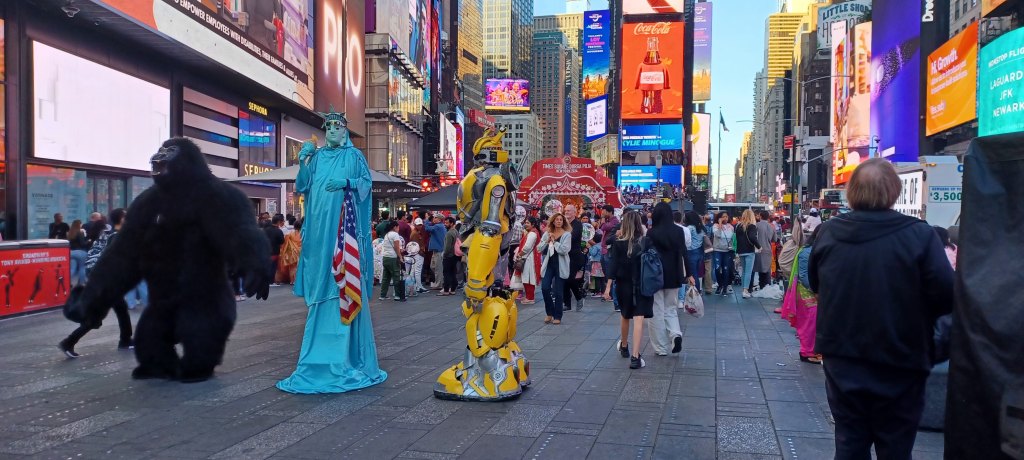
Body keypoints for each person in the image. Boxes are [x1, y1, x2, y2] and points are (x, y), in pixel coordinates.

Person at [808, 159, 954, 459]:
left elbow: (816, 283)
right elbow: (948, 297)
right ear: (894, 191)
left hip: (843, 359)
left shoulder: (829, 233)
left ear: (852, 192)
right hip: (901, 360)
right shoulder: (920, 235)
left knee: (849, 443)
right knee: (896, 448)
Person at [276, 111, 387, 394]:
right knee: (319, 272)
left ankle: (345, 358)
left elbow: (366, 185)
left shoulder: (354, 157)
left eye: (338, 128)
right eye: (329, 128)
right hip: (316, 231)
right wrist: (303, 160)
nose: (332, 132)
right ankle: (316, 355)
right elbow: (301, 185)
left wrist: (346, 184)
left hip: (341, 232)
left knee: (342, 278)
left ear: (346, 131)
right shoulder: (318, 158)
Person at [59, 208, 134, 358]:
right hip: (108, 281)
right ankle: (68, 342)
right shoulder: (116, 237)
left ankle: (126, 340)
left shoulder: (108, 234)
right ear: (121, 219)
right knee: (96, 316)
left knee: (121, 309)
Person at [646, 203, 689, 356]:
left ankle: (661, 347)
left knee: (656, 310)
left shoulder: (651, 233)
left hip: (655, 276)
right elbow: (684, 253)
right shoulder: (679, 231)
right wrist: (689, 274)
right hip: (674, 274)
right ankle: (675, 334)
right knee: (671, 308)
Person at [611, 211, 651, 369]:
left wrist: (608, 286)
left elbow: (613, 265)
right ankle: (635, 357)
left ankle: (624, 346)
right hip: (642, 284)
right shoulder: (646, 241)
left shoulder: (618, 242)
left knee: (625, 315)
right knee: (639, 318)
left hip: (623, 284)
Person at [537, 213, 571, 325]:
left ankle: (558, 315)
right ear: (553, 221)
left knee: (558, 291)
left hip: (560, 265)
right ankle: (549, 312)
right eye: (557, 219)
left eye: (561, 220)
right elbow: (539, 248)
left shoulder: (567, 235)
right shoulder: (547, 233)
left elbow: (564, 250)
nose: (559, 221)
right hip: (549, 264)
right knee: (545, 287)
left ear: (563, 222)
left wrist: (555, 242)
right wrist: (547, 241)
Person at [562, 205, 587, 312]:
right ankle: (567, 304)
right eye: (565, 210)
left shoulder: (577, 224)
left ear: (574, 212)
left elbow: (573, 237)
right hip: (564, 255)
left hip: (574, 256)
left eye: (568, 211)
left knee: (569, 278)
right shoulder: (563, 223)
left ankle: (579, 296)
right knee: (564, 279)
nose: (566, 212)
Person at [511, 217, 541, 304]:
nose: (526, 224)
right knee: (527, 277)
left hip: (529, 258)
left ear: (533, 224)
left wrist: (520, 254)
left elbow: (527, 247)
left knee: (529, 278)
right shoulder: (533, 232)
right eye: (526, 222)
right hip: (529, 258)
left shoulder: (532, 234)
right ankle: (528, 296)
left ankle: (530, 298)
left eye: (528, 222)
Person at [734, 209, 761, 299]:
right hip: (749, 251)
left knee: (744, 271)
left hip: (740, 251)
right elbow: (752, 237)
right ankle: (745, 290)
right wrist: (759, 246)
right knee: (748, 272)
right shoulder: (752, 226)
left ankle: (743, 289)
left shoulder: (738, 226)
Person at [378, 220, 406, 302]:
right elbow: (396, 247)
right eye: (398, 227)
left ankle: (382, 295)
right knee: (396, 276)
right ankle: (397, 295)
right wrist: (400, 256)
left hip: (385, 257)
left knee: (385, 278)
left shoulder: (387, 234)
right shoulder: (395, 235)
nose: (398, 229)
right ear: (395, 227)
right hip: (392, 258)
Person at [599, 205, 620, 309]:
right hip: (604, 249)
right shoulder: (608, 220)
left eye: (604, 211)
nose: (602, 212)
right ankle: (609, 293)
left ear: (610, 212)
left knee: (609, 272)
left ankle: (611, 294)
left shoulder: (614, 221)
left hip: (609, 250)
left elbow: (604, 227)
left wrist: (602, 219)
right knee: (606, 272)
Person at [711, 212, 735, 296]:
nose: (725, 218)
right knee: (717, 268)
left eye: (726, 216)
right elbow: (717, 234)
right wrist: (720, 224)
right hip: (717, 250)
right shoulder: (715, 226)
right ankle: (720, 285)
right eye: (723, 217)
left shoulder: (731, 227)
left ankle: (725, 286)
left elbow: (732, 238)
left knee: (726, 269)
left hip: (727, 251)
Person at [753, 210, 777, 290]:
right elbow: (775, 239)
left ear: (760, 216)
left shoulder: (756, 225)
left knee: (759, 268)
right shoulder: (772, 226)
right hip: (768, 249)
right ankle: (767, 286)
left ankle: (761, 285)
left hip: (758, 249)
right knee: (767, 269)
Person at [424, 214, 448, 289]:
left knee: (437, 268)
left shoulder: (438, 226)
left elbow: (427, 228)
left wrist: (427, 220)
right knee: (433, 266)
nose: (433, 219)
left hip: (438, 250)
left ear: (439, 219)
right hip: (437, 250)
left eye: (435, 217)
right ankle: (440, 281)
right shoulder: (440, 226)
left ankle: (439, 284)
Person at [277, 217, 303, 285]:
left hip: (292, 252)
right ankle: (299, 280)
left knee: (292, 267)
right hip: (302, 251)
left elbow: (285, 244)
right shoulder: (303, 234)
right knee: (300, 267)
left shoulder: (290, 234)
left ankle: (292, 280)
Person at [263, 214, 286, 287]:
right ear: (279, 222)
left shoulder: (265, 230)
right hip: (274, 251)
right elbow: (282, 241)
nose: (283, 223)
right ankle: (270, 281)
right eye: (282, 221)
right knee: (273, 266)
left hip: (265, 251)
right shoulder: (278, 231)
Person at [439, 217, 459, 296]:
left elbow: (447, 247)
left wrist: (444, 254)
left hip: (449, 256)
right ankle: (453, 289)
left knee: (446, 273)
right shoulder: (456, 232)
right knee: (453, 272)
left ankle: (446, 290)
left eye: (447, 223)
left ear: (451, 223)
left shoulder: (449, 233)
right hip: (455, 255)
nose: (445, 224)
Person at [67, 219, 90, 286]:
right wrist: (88, 241)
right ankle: (81, 283)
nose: (81, 225)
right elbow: (83, 244)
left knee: (72, 269)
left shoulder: (70, 233)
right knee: (82, 267)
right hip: (80, 252)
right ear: (78, 225)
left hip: (71, 252)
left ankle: (67, 282)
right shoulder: (80, 233)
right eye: (80, 224)